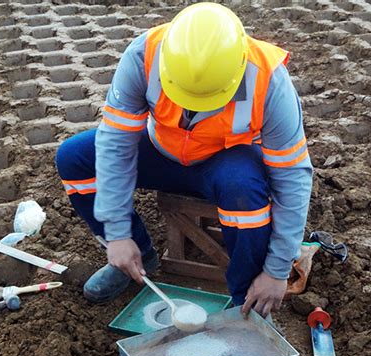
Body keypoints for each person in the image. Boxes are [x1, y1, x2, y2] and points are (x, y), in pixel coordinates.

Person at [55, 3, 313, 318]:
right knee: (75, 159)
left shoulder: (269, 80)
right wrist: (117, 233)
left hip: (224, 160)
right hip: (159, 147)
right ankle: (137, 258)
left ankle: (246, 304)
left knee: (245, 193)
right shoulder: (144, 55)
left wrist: (277, 270)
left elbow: (292, 176)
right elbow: (115, 144)